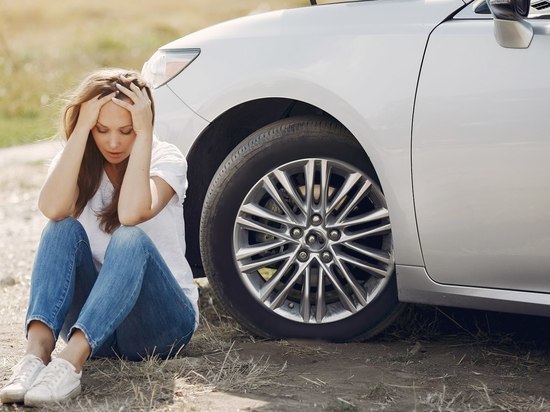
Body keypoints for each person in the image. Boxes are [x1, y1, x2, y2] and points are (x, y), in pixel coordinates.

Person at [0, 68, 199, 407]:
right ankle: (36, 356)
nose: (113, 142)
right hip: (98, 330)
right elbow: (51, 207)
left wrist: (146, 133)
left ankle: (69, 363)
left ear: (142, 124)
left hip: (161, 324)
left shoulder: (166, 158)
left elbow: (131, 214)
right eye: (102, 129)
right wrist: (80, 129)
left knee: (129, 238)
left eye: (126, 130)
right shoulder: (77, 160)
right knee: (60, 227)